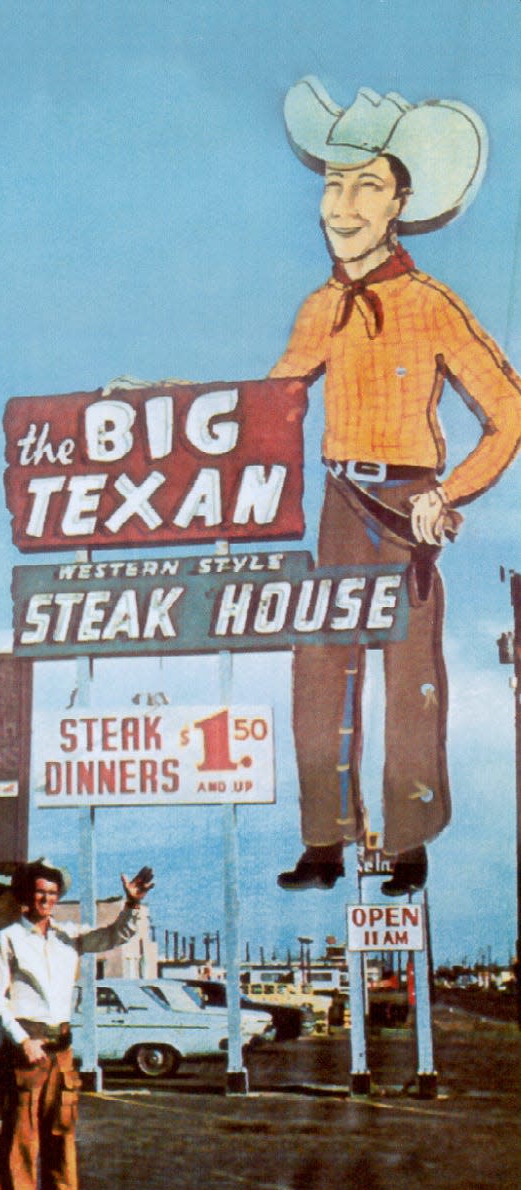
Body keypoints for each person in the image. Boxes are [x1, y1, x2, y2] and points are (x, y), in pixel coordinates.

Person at [270, 78, 521, 897]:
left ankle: (408, 844)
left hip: (408, 504)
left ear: (400, 203)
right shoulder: (319, 307)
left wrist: (448, 494)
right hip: (339, 503)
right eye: (333, 186)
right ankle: (323, 842)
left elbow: (509, 413)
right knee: (319, 665)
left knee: (410, 675)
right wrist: (165, 403)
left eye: (365, 185)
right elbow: (266, 403)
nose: (343, 205)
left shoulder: (431, 304)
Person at [0, 856, 153, 1190]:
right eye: (40, 892)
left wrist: (132, 905)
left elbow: (114, 936)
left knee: (63, 1143)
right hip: (28, 1052)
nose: (47, 899)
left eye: (53, 894)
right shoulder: (8, 939)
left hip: (61, 1051)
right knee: (21, 1146)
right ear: (26, 896)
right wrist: (23, 1041)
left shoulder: (68, 936)